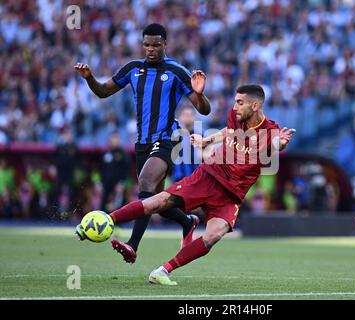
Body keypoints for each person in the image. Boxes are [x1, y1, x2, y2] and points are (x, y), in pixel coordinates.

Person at [76, 84, 295, 285]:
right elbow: (230, 131)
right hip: (208, 177)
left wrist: (281, 144)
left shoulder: (270, 132)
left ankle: (162, 271)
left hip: (231, 195)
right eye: (235, 101)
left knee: (213, 235)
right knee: (158, 202)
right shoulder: (235, 116)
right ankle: (106, 219)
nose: (234, 106)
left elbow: (276, 144)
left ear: (255, 105)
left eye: (240, 102)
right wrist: (208, 140)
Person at [74, 23, 211, 263]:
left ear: (165, 44)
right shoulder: (132, 69)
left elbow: (204, 109)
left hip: (168, 138)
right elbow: (104, 92)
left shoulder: (177, 72)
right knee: (156, 201)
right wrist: (89, 78)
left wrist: (199, 94)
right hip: (142, 143)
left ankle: (132, 245)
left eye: (156, 45)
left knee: (145, 184)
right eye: (147, 44)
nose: (151, 49)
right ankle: (187, 221)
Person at [100, 133, 130, 211]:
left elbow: (126, 170)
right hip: (106, 184)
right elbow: (101, 170)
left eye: (115, 139)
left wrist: (121, 183)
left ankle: (120, 222)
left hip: (118, 184)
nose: (113, 141)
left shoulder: (123, 154)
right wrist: (99, 183)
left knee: (118, 205)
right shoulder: (106, 153)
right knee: (104, 204)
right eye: (112, 139)